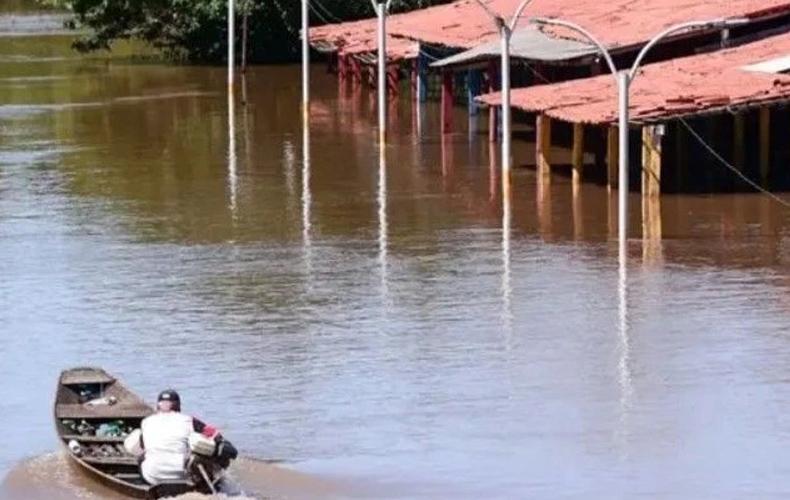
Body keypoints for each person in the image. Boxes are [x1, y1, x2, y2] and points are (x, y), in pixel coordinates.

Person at [137, 390, 218, 485]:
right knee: (206, 450)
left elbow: (143, 446)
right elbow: (215, 436)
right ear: (178, 406)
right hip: (182, 475)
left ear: (158, 406)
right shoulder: (190, 420)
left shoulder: (146, 422)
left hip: (152, 477)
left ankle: (146, 487)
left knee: (141, 457)